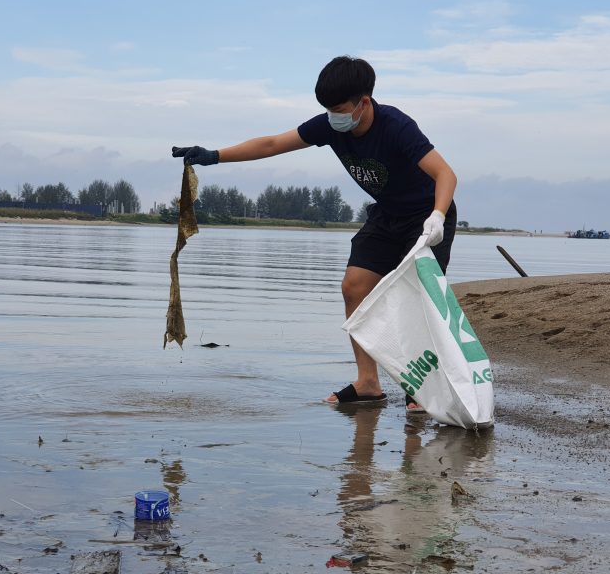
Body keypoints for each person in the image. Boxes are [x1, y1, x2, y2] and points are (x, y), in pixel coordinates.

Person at [173, 55, 458, 410]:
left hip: (426, 217)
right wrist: (214, 155)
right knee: (353, 286)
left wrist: (437, 216)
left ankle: (421, 388)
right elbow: (273, 144)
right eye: (327, 109)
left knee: (419, 301)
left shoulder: (396, 126)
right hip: (387, 217)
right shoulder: (329, 126)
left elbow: (446, 174)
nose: (333, 116)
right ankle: (368, 382)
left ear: (363, 102)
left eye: (339, 108)